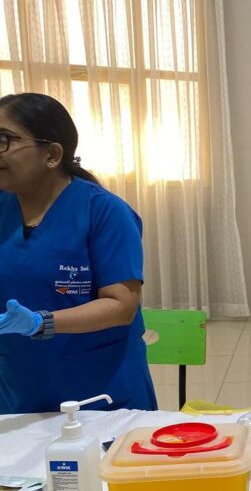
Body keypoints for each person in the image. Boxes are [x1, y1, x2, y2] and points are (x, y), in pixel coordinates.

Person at [0, 93, 156, 413]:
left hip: (101, 396)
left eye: (4, 140)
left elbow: (121, 306)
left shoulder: (104, 211)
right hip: (19, 390)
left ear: (52, 154)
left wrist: (41, 322)